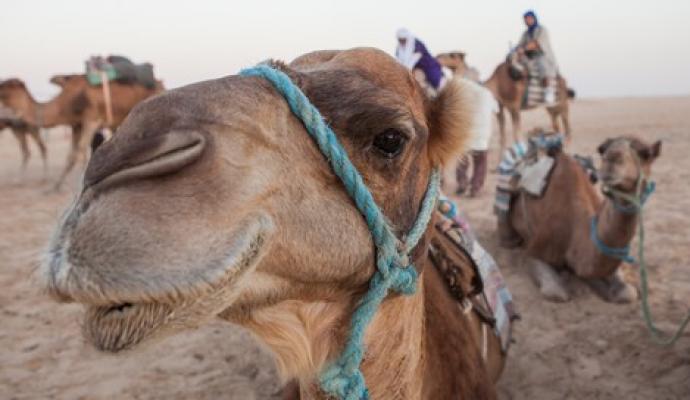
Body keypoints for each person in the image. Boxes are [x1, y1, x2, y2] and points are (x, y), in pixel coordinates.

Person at [455, 79, 497, 197]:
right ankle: (475, 188)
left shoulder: (467, 92)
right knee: (480, 163)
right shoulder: (489, 94)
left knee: (462, 161)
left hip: (467, 133)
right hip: (483, 135)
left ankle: (462, 183)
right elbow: (496, 109)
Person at [517, 10, 559, 103]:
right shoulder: (526, 33)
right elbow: (519, 45)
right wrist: (516, 50)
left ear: (533, 18)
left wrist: (523, 49)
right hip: (530, 57)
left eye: (528, 19)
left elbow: (536, 44)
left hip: (542, 55)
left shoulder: (542, 30)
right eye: (525, 20)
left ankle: (549, 92)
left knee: (542, 66)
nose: (526, 21)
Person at [395, 28, 446, 96]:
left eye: (403, 39)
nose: (402, 41)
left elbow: (415, 57)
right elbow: (399, 60)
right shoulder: (399, 49)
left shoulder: (416, 43)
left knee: (435, 79)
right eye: (400, 40)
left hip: (426, 65)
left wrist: (406, 70)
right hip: (411, 68)